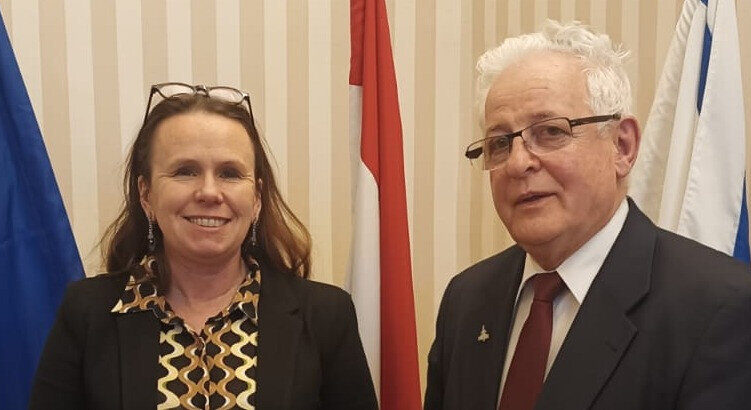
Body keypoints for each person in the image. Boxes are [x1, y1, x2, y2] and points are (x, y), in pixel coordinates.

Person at [424, 20, 751, 410]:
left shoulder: (720, 307)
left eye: (550, 132)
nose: (518, 163)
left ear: (622, 146)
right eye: (499, 143)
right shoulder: (466, 299)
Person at [29, 83, 377, 409]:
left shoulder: (327, 316)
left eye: (229, 173)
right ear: (146, 195)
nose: (209, 192)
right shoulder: (86, 313)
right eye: (185, 171)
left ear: (256, 198)